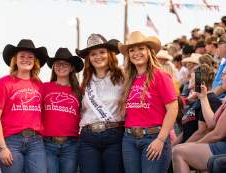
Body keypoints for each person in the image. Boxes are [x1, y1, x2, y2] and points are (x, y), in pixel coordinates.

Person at [118, 31, 178, 173]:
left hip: (154, 138)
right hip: (129, 140)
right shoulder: (128, 79)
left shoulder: (160, 75)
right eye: (132, 50)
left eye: (141, 48)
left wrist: (161, 140)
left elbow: (173, 109)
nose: (136, 53)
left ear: (149, 51)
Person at [0, 39, 48, 173]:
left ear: (34, 62)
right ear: (15, 59)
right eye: (22, 56)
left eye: (30, 57)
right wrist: (2, 147)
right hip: (11, 142)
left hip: (36, 142)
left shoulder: (39, 85)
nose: (26, 59)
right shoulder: (3, 83)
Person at [76, 33, 125, 173]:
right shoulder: (85, 81)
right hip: (88, 138)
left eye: (102, 52)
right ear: (89, 58)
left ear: (109, 54)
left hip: (115, 135)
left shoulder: (122, 77)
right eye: (93, 54)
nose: (98, 57)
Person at [172, 66, 226, 173]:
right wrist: (203, 97)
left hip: (222, 146)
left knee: (177, 152)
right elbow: (212, 123)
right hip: (219, 145)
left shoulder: (213, 100)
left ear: (200, 81)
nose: (221, 77)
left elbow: (214, 133)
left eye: (224, 74)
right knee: (175, 151)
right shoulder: (211, 100)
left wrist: (193, 145)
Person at [42, 47, 84, 173]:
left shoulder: (79, 91)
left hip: (71, 144)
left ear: (72, 68)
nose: (61, 67)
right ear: (53, 67)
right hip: (48, 144)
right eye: (58, 64)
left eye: (65, 64)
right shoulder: (44, 87)